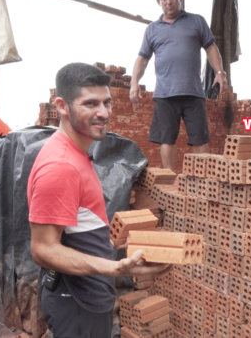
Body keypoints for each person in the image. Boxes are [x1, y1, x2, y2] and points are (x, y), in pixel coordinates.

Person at [28, 63, 169, 338]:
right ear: (62, 106)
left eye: (107, 102)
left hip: (90, 295)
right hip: (78, 301)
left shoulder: (78, 154)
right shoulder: (61, 165)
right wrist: (116, 268)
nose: (103, 113)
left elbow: (77, 228)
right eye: (90, 103)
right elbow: (43, 249)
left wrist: (118, 245)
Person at [130, 0, 228, 172]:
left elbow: (210, 48)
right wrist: (134, 82)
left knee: (200, 138)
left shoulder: (196, 21)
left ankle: (204, 182)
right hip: (165, 94)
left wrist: (220, 73)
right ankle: (169, 180)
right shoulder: (152, 29)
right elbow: (142, 58)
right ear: (158, 2)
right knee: (167, 139)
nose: (169, 1)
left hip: (193, 92)